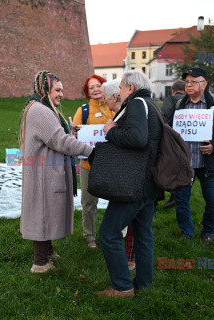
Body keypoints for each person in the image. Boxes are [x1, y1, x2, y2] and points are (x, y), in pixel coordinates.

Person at [19, 71, 93, 273]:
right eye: (57, 90)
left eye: (62, 90)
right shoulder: (41, 111)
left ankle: (48, 251)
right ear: (45, 90)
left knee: (46, 210)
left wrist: (70, 132)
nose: (61, 94)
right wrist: (90, 151)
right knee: (42, 211)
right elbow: (59, 141)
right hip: (44, 173)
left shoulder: (40, 107)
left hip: (44, 169)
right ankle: (40, 263)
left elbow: (56, 134)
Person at [96, 70, 162, 298]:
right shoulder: (150, 104)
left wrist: (111, 131)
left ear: (130, 88)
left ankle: (122, 287)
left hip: (133, 183)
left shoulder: (135, 104)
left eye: (122, 88)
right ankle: (143, 283)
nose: (120, 92)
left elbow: (137, 139)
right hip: (149, 182)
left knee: (108, 232)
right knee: (144, 233)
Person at [163, 67, 214, 244]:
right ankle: (187, 233)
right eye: (187, 81)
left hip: (208, 164)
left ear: (204, 84)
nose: (189, 85)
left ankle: (208, 231)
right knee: (181, 200)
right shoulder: (179, 105)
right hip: (184, 164)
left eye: (194, 81)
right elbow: (169, 130)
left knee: (212, 200)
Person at [72, 75, 115, 249]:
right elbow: (74, 134)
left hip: (112, 164)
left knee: (117, 199)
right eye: (92, 87)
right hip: (88, 164)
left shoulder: (114, 107)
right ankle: (90, 236)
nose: (96, 89)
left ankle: (117, 232)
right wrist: (74, 132)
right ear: (87, 92)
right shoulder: (82, 110)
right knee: (89, 202)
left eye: (99, 85)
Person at [103, 79, 135, 270]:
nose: (105, 101)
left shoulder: (125, 116)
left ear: (115, 96)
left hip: (127, 176)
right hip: (124, 174)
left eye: (106, 98)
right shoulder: (123, 113)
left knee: (123, 223)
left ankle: (128, 261)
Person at [160, 80, 186, 209]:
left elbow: (162, 117)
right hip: (188, 140)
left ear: (173, 90)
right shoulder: (189, 101)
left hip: (172, 140)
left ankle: (174, 194)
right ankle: (178, 195)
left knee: (168, 168)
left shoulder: (170, 100)